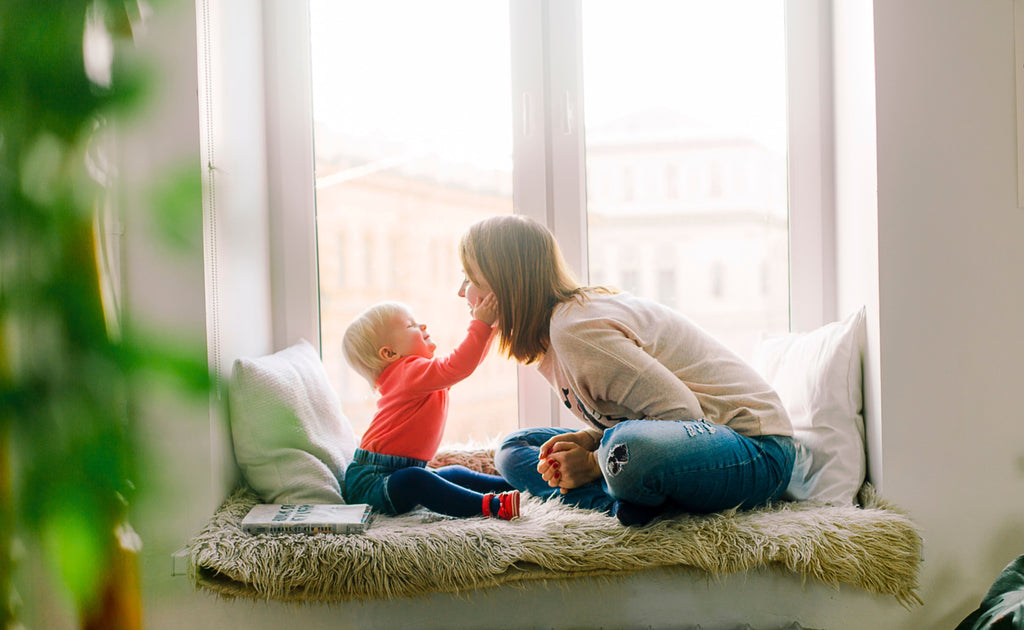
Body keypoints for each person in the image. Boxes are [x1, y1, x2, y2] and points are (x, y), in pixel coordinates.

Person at [457, 214, 795, 526]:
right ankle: (622, 502)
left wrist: (591, 462)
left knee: (626, 449)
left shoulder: (575, 329)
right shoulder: (552, 338)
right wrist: (593, 442)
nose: (462, 292)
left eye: (471, 279)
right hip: (686, 442)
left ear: (507, 286)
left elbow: (683, 414)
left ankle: (619, 492)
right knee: (515, 448)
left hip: (756, 450)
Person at [341, 297, 520, 520]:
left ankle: (516, 485)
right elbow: (459, 365)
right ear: (389, 354)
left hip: (396, 472)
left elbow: (465, 366)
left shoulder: (418, 376)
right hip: (372, 482)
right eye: (410, 325)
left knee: (453, 473)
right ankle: (491, 506)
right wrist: (481, 325)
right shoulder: (407, 373)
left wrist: (490, 329)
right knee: (416, 480)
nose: (422, 326)